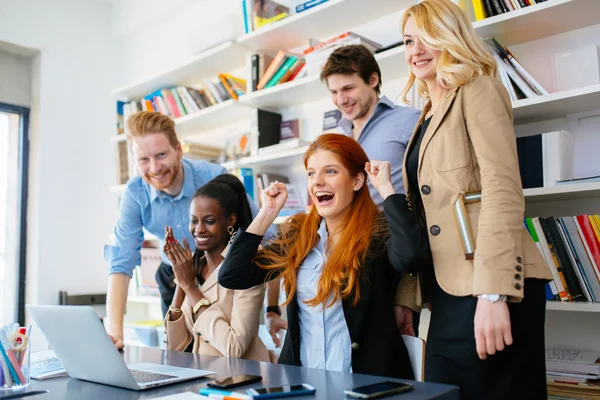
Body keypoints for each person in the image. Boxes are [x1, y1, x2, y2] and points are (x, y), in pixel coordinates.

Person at [371, 0, 552, 398]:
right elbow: (427, 214)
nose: (415, 51)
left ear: (450, 38)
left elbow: (501, 190)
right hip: (446, 292)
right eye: (407, 41)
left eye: (427, 38)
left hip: (489, 284)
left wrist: (492, 293)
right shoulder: (426, 115)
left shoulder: (479, 89)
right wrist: (408, 297)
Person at [218, 133, 428, 379]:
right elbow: (233, 275)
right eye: (311, 173)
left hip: (367, 384)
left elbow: (411, 257)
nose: (317, 181)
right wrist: (267, 213)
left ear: (358, 180)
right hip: (304, 382)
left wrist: (386, 189)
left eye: (330, 171)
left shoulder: (378, 233)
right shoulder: (299, 236)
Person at [264, 45, 423, 347]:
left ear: (373, 79)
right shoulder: (338, 133)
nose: (341, 100)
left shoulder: (409, 121)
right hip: (342, 253)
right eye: (334, 92)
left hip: (391, 253)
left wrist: (409, 290)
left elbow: (425, 196)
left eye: (348, 88)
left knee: (384, 352)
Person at [104, 111, 272, 348]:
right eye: (143, 159)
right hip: (174, 275)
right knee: (178, 351)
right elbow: (121, 264)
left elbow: (262, 230)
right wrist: (115, 337)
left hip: (220, 274)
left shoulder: (213, 177)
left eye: (161, 155)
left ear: (179, 150)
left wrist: (273, 308)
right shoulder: (135, 193)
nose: (154, 168)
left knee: (225, 348)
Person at [163, 174, 270, 361]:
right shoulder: (195, 266)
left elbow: (234, 348)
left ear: (231, 220)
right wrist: (182, 280)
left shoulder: (247, 263)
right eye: (194, 220)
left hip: (242, 381)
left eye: (209, 221)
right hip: (204, 379)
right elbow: (175, 347)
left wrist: (190, 288)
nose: (199, 229)